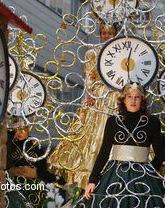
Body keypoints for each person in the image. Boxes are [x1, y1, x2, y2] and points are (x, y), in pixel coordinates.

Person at [66, 82, 165, 208]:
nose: (133, 100)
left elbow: (160, 152)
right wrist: (92, 180)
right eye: (129, 97)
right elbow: (104, 153)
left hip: (143, 175)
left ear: (142, 100)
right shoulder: (114, 121)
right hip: (115, 175)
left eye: (137, 97)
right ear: (123, 100)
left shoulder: (152, 122)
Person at [48, 23, 120, 188]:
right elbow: (89, 76)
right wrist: (91, 93)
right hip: (100, 96)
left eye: (109, 33)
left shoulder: (122, 53)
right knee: (91, 133)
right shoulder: (92, 53)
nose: (106, 36)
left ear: (115, 34)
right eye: (103, 33)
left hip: (117, 95)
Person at [6, 119, 66, 208]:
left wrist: (57, 178)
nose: (18, 132)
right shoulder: (10, 143)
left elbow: (42, 171)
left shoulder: (35, 145)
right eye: (15, 130)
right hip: (13, 185)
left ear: (28, 128)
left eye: (21, 129)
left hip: (32, 188)